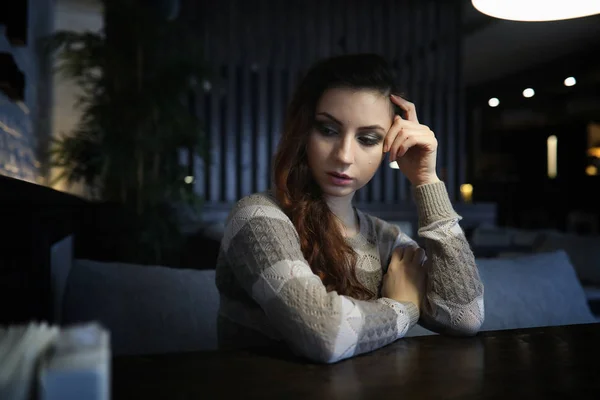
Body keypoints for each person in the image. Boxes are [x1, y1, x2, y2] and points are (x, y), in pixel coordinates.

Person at [215, 53, 484, 364]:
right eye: (328, 130)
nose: (344, 155)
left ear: (389, 146)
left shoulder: (384, 239)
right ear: (304, 129)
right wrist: (404, 307)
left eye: (367, 139)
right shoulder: (256, 217)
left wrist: (426, 180)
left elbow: (465, 317)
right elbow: (322, 333)